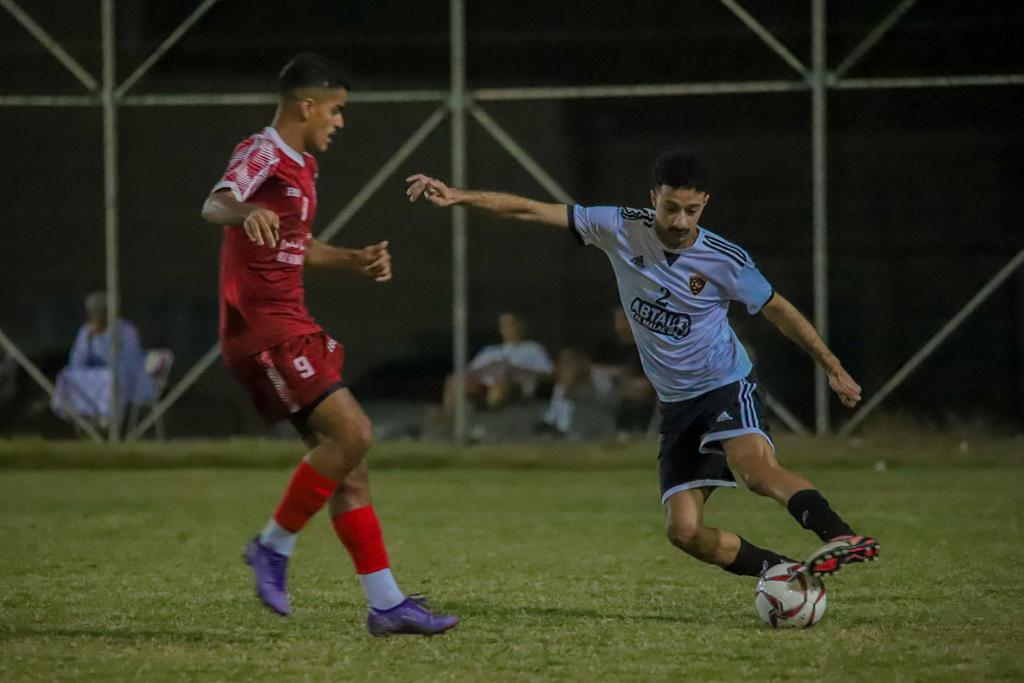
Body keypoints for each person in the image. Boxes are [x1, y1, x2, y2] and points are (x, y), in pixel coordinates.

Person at [406, 150, 879, 579]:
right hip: (676, 404)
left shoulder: (724, 259)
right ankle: (785, 574)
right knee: (684, 531)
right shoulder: (618, 226)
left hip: (724, 384)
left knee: (755, 472)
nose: (679, 220)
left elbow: (779, 310)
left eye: (691, 210)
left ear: (705, 204)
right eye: (670, 207)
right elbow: (531, 209)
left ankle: (839, 535)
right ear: (653, 198)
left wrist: (831, 365)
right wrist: (460, 196)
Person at [201, 53, 457, 636]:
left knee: (351, 470)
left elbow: (298, 245)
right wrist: (244, 210)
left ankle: (386, 604)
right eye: (336, 110)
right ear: (306, 105)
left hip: (293, 323)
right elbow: (216, 202)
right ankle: (271, 547)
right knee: (355, 433)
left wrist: (353, 260)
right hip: (264, 329)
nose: (340, 121)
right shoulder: (263, 150)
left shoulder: (304, 168)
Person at [51, 291, 155, 428]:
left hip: (128, 376)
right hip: (96, 376)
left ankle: (110, 426)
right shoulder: (86, 331)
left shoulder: (126, 330)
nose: (96, 315)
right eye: (93, 312)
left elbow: (129, 361)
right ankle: (84, 422)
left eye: (100, 311)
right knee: (70, 378)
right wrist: (89, 340)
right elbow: (76, 362)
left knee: (112, 381)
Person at [444, 311, 554, 418]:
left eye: (511, 324)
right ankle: (450, 421)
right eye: (503, 325)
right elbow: (469, 370)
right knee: (454, 380)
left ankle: (490, 419)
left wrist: (515, 370)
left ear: (521, 326)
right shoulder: (490, 351)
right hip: (483, 385)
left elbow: (549, 374)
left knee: (502, 383)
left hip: (513, 386)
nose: (507, 329)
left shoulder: (532, 348)